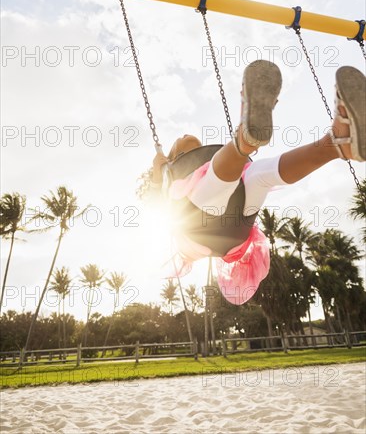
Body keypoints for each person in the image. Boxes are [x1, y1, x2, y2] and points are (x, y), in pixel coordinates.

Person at [139, 60, 366, 305]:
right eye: (180, 144)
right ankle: (244, 139)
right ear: (173, 160)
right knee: (219, 186)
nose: (184, 136)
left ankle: (337, 144)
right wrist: (156, 174)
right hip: (198, 232)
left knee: (257, 175)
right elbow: (156, 210)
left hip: (235, 231)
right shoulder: (168, 186)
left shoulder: (213, 168)